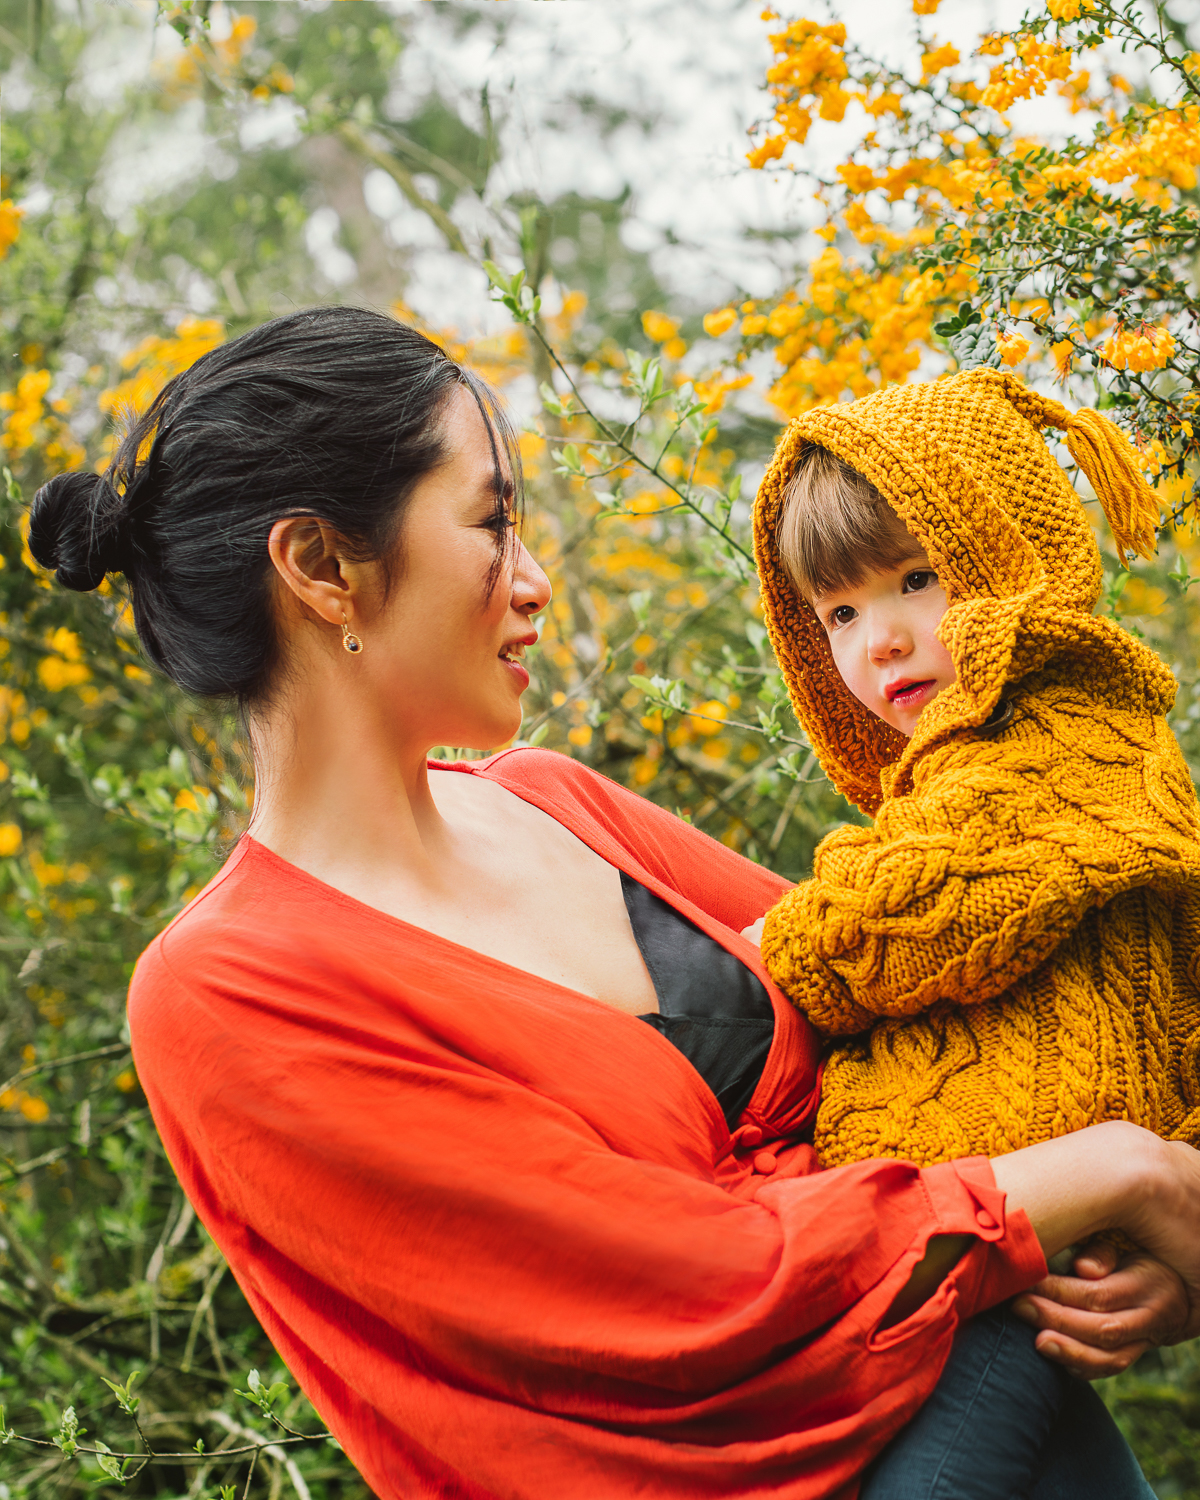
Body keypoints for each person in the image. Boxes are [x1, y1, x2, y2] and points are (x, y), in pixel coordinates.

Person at [26, 308, 1200, 1500]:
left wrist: (1138, 1234)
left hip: (1022, 1417)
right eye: (491, 524)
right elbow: (682, 1292)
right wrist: (1104, 1176)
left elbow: (947, 1008)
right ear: (323, 567)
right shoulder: (229, 989)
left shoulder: (554, 801)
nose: (535, 584)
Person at [748, 366, 1200, 1494]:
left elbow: (888, 925)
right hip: (992, 1248)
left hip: (994, 1263)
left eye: (915, 581)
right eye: (840, 612)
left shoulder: (1057, 727)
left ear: (1011, 564)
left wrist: (774, 942)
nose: (880, 641)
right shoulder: (1002, 753)